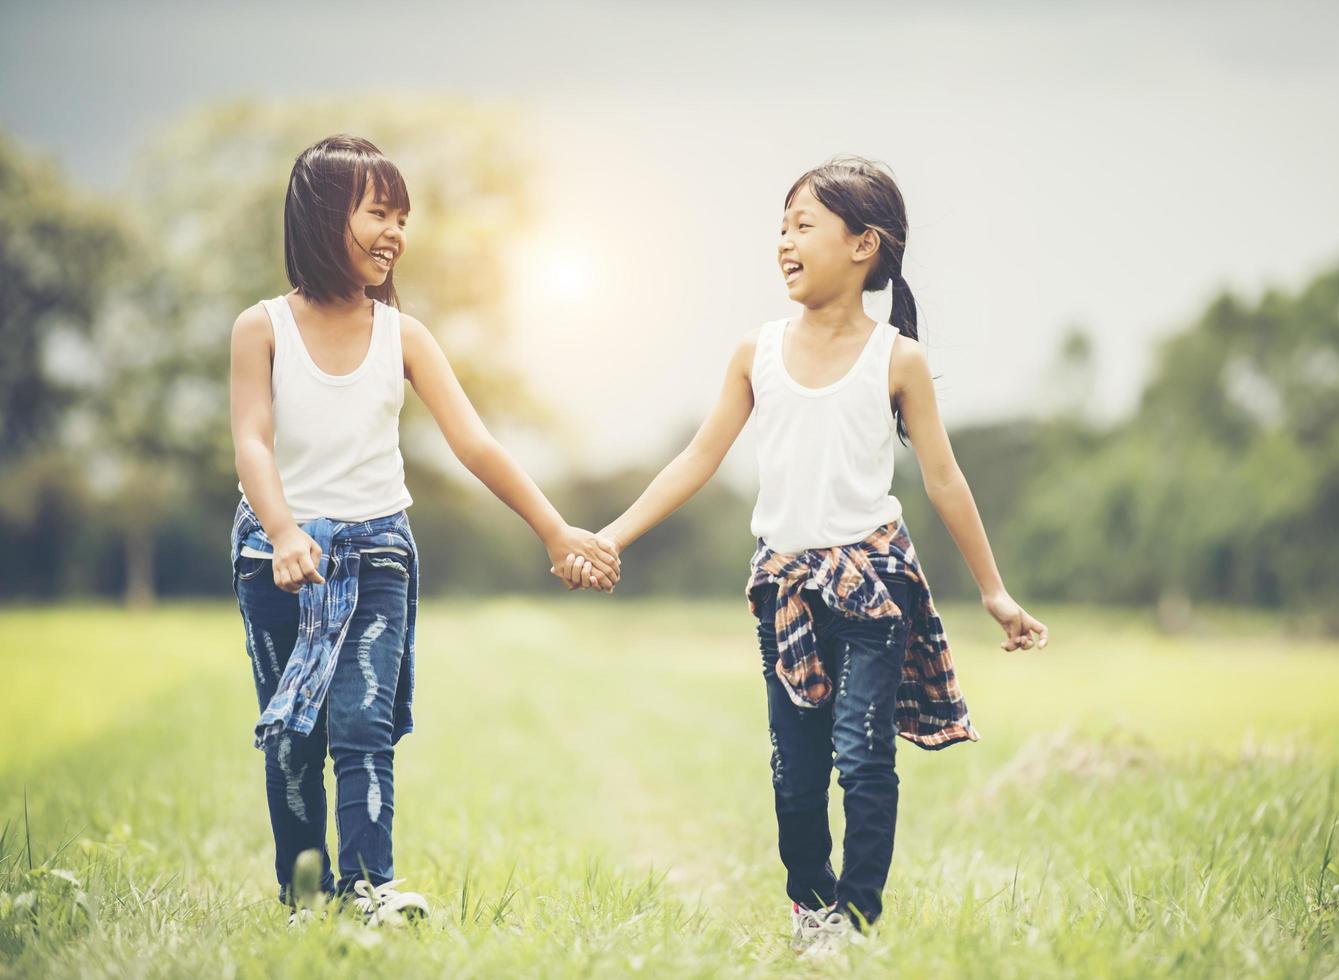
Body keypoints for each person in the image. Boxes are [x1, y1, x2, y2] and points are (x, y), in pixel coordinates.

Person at [571, 157, 1048, 954]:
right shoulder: (754, 352)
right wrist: (610, 535)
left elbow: (944, 479)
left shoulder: (895, 359)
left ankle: (856, 924)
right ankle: (811, 907)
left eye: (803, 226)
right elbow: (697, 459)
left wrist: (993, 592)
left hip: (873, 588)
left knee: (862, 761)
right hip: (786, 589)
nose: (784, 242)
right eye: (781, 228)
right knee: (796, 778)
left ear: (864, 244)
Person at [229, 134, 618, 925]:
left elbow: (474, 443)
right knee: (292, 735)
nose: (396, 233)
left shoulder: (403, 335)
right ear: (320, 215)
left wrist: (553, 531)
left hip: (377, 556)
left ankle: (370, 888)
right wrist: (281, 530)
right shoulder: (260, 327)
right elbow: (251, 441)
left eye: (403, 218)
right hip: (277, 559)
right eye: (379, 212)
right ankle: (305, 896)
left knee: (362, 725)